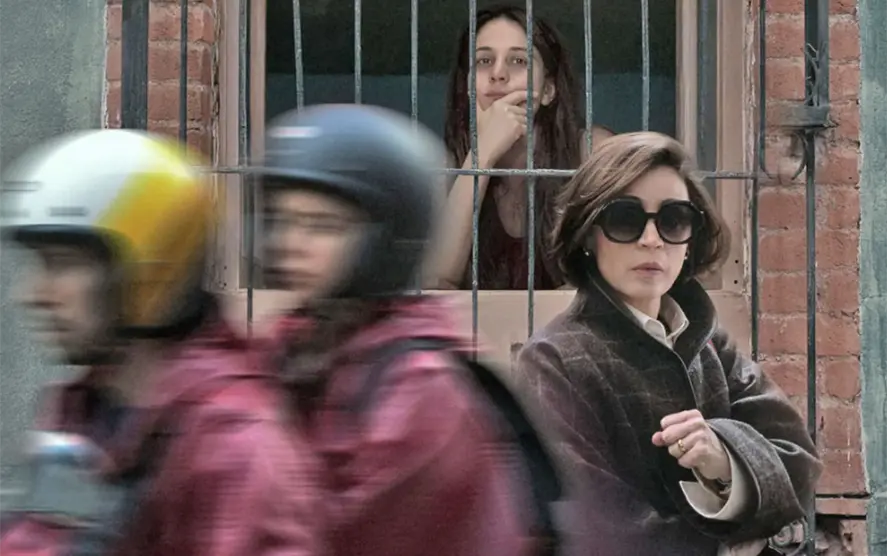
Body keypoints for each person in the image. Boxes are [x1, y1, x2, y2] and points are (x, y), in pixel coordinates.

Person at [253, 103, 563, 556]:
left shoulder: (418, 389)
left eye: (321, 226)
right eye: (282, 220)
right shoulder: (299, 342)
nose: (290, 243)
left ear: (388, 239)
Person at [0, 130, 321, 555]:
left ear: (148, 268)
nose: (33, 294)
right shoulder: (87, 411)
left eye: (61, 264)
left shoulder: (235, 448)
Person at [513, 131, 822, 555]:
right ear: (587, 236)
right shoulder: (552, 361)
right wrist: (731, 546)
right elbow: (595, 527)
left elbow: (798, 465)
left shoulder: (709, 342)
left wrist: (723, 458)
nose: (652, 239)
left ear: (691, 238)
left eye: (674, 220)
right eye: (624, 219)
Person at [429, 4, 615, 291]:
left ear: (548, 91)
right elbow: (434, 284)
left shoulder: (592, 151)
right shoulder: (447, 167)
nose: (498, 74)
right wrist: (482, 153)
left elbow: (617, 274)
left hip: (571, 322)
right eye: (484, 61)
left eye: (518, 61)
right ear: (468, 87)